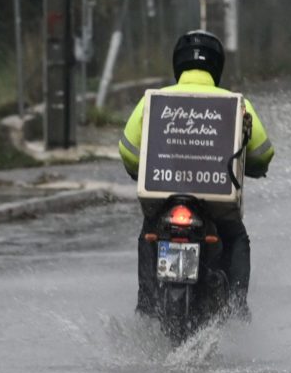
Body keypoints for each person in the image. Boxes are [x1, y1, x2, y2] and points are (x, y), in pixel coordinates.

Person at [118, 31, 275, 319]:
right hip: (216, 202)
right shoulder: (237, 103)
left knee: (148, 233)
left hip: (164, 199)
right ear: (217, 66)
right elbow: (263, 153)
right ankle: (238, 306)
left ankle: (147, 303)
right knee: (236, 236)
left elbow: (128, 149)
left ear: (178, 64)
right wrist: (253, 168)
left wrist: (136, 169)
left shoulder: (153, 100)